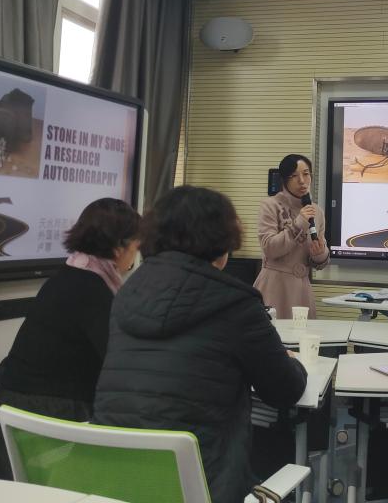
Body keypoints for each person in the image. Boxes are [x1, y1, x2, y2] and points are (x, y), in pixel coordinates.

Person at [93, 185, 307, 503]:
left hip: (114, 483)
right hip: (202, 486)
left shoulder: (127, 291)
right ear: (222, 242)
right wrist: (295, 362)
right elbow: (285, 390)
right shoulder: (236, 303)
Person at [0, 198, 141, 480]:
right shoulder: (93, 291)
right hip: (44, 426)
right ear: (118, 248)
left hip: (8, 417)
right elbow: (119, 365)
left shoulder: (67, 276)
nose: (134, 259)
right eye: (136, 248)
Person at [254, 153, 330, 319]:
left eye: (306, 174)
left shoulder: (317, 211)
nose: (302, 181)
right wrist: (298, 224)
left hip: (302, 290)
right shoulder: (270, 205)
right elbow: (269, 248)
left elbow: (320, 259)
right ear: (284, 180)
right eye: (294, 176)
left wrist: (319, 254)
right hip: (274, 287)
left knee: (303, 334)